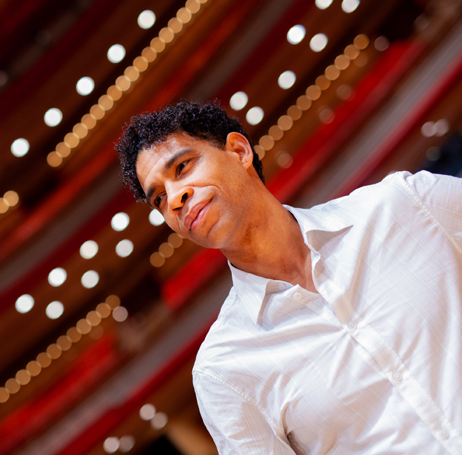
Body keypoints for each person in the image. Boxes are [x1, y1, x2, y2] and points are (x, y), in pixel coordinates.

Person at [116, 100, 462, 454]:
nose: (175, 198)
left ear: (238, 151)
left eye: (183, 167)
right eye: (158, 198)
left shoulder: (402, 204)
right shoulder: (222, 370)